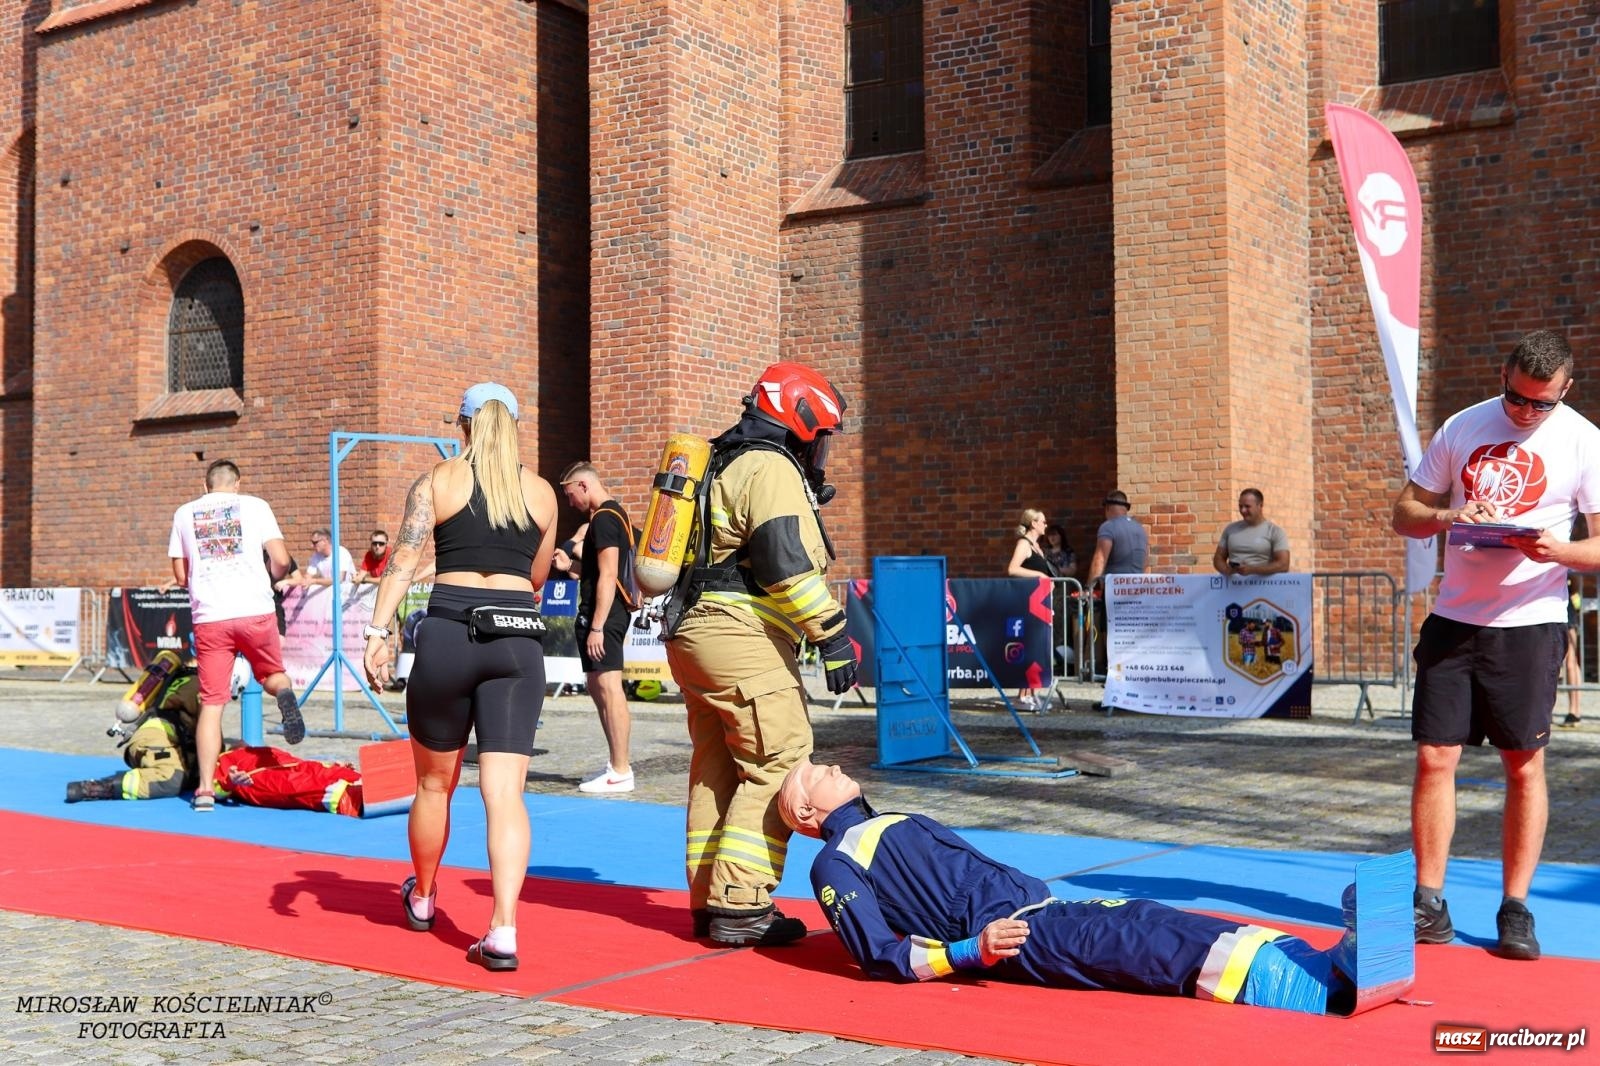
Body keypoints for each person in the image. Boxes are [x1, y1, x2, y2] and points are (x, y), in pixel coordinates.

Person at [778, 761, 1356, 1014]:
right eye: (817, 775)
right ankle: (1313, 992)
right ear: (806, 810)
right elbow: (878, 956)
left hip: (1044, 908)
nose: (831, 770)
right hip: (1014, 935)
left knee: (1158, 918)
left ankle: (1319, 963)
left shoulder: (884, 822)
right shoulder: (834, 862)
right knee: (1153, 950)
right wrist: (968, 953)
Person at [1392, 328, 1600, 962]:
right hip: (1454, 620)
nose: (1526, 413)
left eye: (1542, 403)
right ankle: (1428, 903)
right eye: (1517, 399)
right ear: (1502, 374)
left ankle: (1515, 907)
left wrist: (1560, 551)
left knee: (1523, 765)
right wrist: (1449, 517)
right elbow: (1404, 512)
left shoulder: (1584, 440)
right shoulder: (1462, 426)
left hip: (1531, 625)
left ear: (1566, 390)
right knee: (1434, 759)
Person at [361, 382, 557, 972]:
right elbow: (539, 575)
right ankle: (503, 930)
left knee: (432, 785)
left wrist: (377, 634)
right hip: (518, 644)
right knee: (506, 795)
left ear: (463, 427)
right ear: (516, 426)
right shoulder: (541, 494)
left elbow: (401, 560)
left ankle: (422, 897)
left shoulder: (439, 481)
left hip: (448, 634)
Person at [661, 362, 854, 947]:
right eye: (820, 436)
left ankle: (707, 898)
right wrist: (833, 634)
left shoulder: (724, 463)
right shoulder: (769, 467)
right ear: (799, 423)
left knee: (718, 770)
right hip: (739, 632)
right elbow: (784, 561)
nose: (821, 451)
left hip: (696, 633)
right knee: (781, 757)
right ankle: (741, 903)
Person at [168, 459, 304, 812]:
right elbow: (280, 557)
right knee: (272, 675)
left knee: (212, 703)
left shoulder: (184, 513)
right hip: (255, 610)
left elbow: (181, 574)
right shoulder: (257, 506)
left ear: (205, 483)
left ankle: (204, 791)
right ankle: (285, 695)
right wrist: (272, 578)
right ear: (237, 484)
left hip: (211, 616)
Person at [558, 464, 637, 795]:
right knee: (599, 686)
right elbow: (599, 572)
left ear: (583, 485)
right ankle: (615, 766)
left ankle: (620, 770)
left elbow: (607, 576)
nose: (570, 502)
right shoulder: (613, 515)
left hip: (606, 616)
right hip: (603, 612)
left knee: (608, 687)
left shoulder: (604, 519)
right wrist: (572, 566)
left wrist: (598, 627)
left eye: (570, 494)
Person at [1084, 490, 1149, 674]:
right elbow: (1145, 560)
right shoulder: (1140, 529)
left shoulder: (1108, 527)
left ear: (1108, 508)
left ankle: (1114, 682)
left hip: (1115, 591)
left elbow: (1100, 558)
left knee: (1110, 635)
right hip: (1137, 590)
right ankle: (1130, 682)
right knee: (1132, 638)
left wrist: (1090, 586)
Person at [1005, 508, 1056, 710]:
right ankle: (1022, 696)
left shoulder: (1037, 546)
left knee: (1038, 648)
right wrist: (1040, 576)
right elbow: (1012, 568)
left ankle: (1032, 693)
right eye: (1043, 521)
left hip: (1041, 602)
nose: (1045, 524)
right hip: (1029, 604)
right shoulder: (1024, 544)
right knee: (1030, 646)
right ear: (1033, 523)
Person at [1213, 488, 1291, 577]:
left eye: (1247, 506)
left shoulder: (1275, 532)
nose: (1243, 510)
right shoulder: (1230, 529)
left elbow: (1283, 564)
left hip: (1263, 587)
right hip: (1233, 587)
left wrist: (1252, 570)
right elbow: (1218, 558)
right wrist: (1227, 570)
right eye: (1240, 506)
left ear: (1260, 506)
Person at [276, 528, 355, 589]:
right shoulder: (316, 556)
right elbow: (307, 578)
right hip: (330, 596)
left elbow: (339, 579)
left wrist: (314, 581)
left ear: (325, 541)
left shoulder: (341, 553)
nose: (312, 546)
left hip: (348, 597)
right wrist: (287, 582)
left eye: (315, 542)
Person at [1561, 573, 1584, 728]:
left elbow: (1576, 582)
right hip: (1556, 607)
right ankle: (1573, 711)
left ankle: (1574, 710)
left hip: (1564, 608)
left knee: (1570, 662)